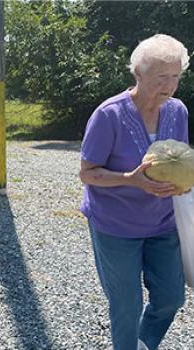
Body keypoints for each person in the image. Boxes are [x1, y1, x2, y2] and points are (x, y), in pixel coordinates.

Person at [79, 34, 189, 350]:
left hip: (163, 223)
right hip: (116, 225)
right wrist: (131, 179)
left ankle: (143, 342)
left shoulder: (178, 111)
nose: (168, 85)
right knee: (126, 307)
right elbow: (87, 173)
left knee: (171, 298)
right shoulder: (108, 115)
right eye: (160, 77)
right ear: (138, 74)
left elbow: (176, 160)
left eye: (175, 76)